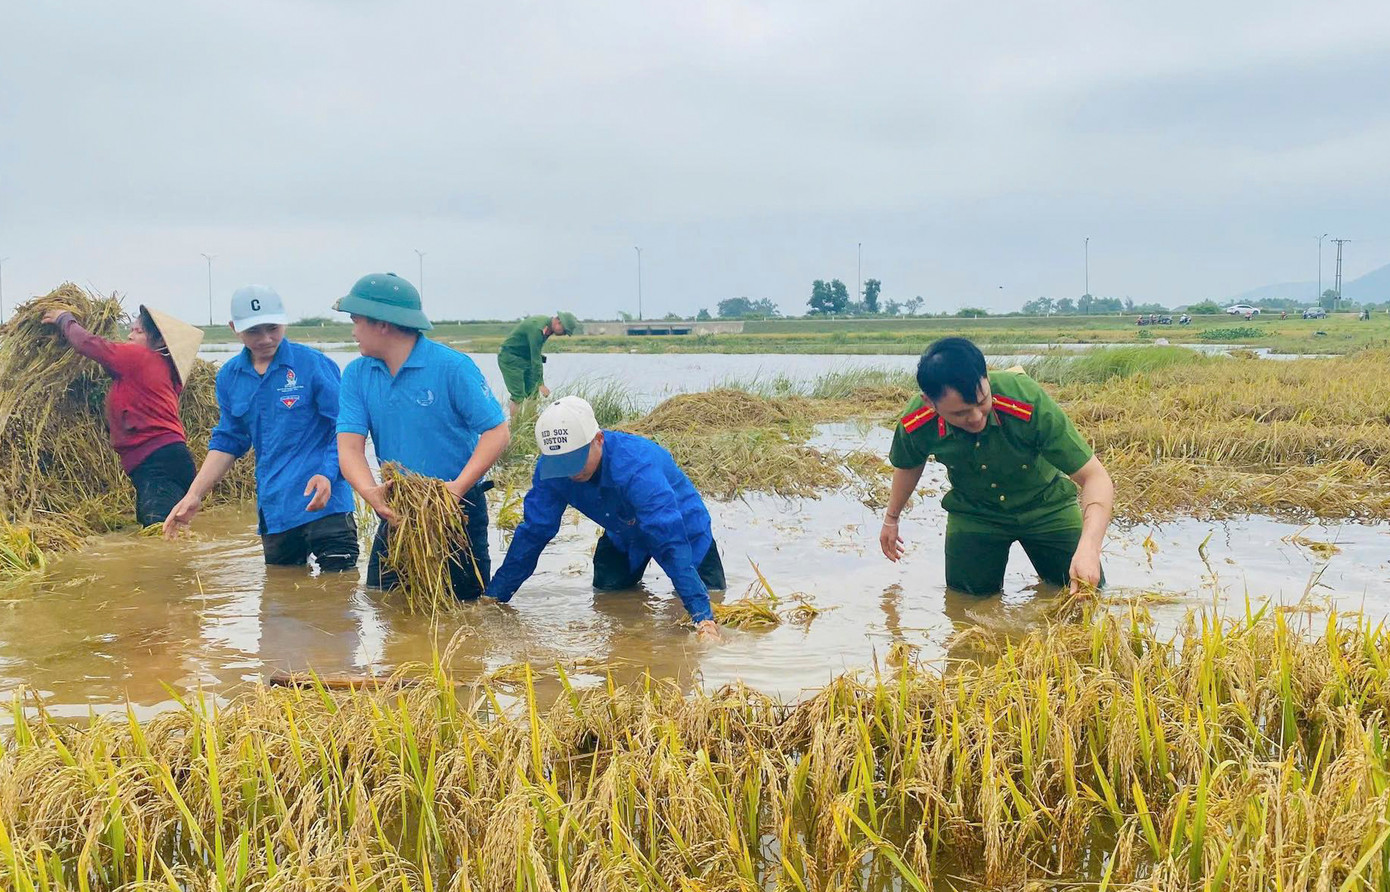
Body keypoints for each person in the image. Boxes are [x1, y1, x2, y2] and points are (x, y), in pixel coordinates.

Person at [880, 337, 1114, 596]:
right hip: (975, 513)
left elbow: (1095, 477)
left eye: (982, 402)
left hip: (1047, 506)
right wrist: (891, 519)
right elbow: (909, 464)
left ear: (986, 378)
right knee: (964, 603)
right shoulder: (917, 421)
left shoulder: (1026, 401)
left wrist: (1089, 548)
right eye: (960, 413)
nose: (977, 417)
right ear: (929, 403)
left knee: (1086, 592)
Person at [486, 396, 724, 639]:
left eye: (574, 461)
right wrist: (494, 597)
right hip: (623, 532)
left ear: (598, 440)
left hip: (683, 530)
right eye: (560, 464)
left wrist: (702, 617)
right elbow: (533, 534)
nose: (569, 472)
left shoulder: (637, 467)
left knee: (713, 598)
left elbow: (669, 542)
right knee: (610, 599)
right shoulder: (552, 472)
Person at [334, 272, 510, 599]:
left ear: (382, 323)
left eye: (356, 321)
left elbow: (497, 431)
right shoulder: (357, 374)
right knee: (383, 602)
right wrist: (370, 491)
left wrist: (457, 488)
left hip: (457, 507)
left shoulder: (451, 367)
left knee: (466, 610)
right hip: (397, 508)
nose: (354, 331)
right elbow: (349, 448)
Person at [163, 286, 358, 571]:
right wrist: (194, 494)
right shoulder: (230, 376)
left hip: (327, 505)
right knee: (279, 600)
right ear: (234, 329)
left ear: (284, 321)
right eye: (254, 331)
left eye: (273, 328)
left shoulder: (313, 365)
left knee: (338, 596)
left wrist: (327, 473)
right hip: (276, 510)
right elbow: (228, 441)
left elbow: (344, 429)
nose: (266, 338)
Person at [42, 303, 204, 526]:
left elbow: (90, 345)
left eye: (138, 331)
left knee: (159, 537)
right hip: (166, 460)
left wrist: (64, 319)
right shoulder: (159, 368)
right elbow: (109, 362)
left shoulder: (140, 357)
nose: (129, 335)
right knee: (161, 532)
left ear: (159, 342)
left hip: (157, 463)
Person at [497, 312, 580, 418]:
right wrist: (541, 383)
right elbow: (536, 358)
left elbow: (534, 356)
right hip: (510, 358)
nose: (563, 334)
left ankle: (531, 424)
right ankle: (515, 428)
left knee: (533, 393)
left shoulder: (548, 328)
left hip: (526, 358)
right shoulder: (537, 328)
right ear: (559, 322)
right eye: (564, 331)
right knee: (518, 395)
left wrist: (538, 383)